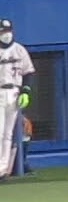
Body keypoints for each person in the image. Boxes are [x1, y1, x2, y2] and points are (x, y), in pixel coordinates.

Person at [0, 18, 34, 179]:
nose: (6, 34)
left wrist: (25, 91)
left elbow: (28, 73)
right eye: (3, 31)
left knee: (8, 134)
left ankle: (2, 169)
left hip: (14, 92)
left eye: (8, 31)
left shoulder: (20, 50)